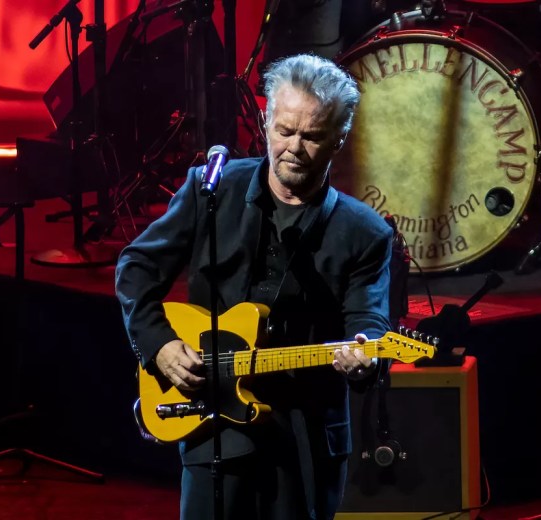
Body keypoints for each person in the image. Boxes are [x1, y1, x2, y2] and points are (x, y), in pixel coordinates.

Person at [115, 53, 393, 520]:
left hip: (305, 432)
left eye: (312, 136)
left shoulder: (364, 232)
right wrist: (159, 346)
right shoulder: (212, 190)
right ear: (265, 122)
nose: (294, 148)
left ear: (339, 139)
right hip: (213, 417)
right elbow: (137, 265)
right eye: (284, 131)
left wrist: (363, 355)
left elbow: (367, 319)